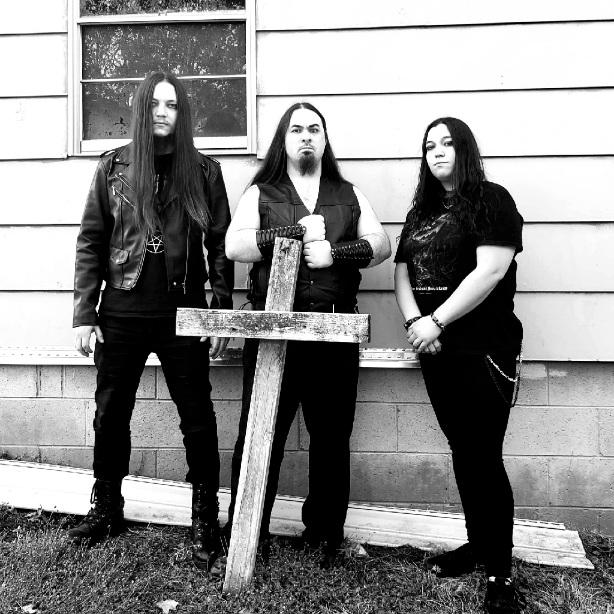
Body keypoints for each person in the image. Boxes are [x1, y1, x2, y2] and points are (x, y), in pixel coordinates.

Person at [69, 71, 234, 574]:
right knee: (110, 412)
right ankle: (106, 507)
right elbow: (91, 240)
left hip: (183, 311)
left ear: (182, 114)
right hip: (121, 309)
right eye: (155, 103)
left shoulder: (204, 171)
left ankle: (204, 516)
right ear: (142, 109)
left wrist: (219, 310)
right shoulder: (112, 166)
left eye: (172, 104)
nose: (163, 111)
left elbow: (220, 245)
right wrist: (84, 313)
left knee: (198, 416)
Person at [224, 102, 390, 568]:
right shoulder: (262, 192)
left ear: (324, 139)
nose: (306, 137)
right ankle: (247, 529)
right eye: (296, 129)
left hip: (333, 333)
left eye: (314, 129)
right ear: (284, 139)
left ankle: (324, 536)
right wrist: (292, 233)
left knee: (332, 439)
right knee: (260, 434)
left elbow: (381, 245)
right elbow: (235, 245)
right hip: (273, 333)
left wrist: (337, 253)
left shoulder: (347, 193)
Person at [394, 117, 524, 613]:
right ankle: (478, 544)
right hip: (436, 349)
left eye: (447, 143)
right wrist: (415, 323)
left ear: (465, 149)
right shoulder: (421, 211)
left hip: (484, 348)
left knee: (484, 456)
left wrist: (437, 321)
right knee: (463, 451)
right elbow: (401, 272)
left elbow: (491, 270)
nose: (438, 151)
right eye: (429, 145)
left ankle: (500, 573)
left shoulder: (492, 200)